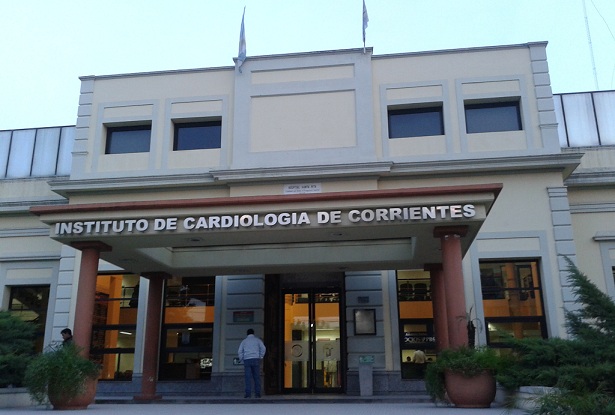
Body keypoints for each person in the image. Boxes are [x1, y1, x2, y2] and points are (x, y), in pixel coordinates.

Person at [238, 328, 266, 398]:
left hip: (247, 359)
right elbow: (263, 348)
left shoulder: (244, 341)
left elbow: (240, 351)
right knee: (256, 377)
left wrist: (242, 358)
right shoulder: (257, 340)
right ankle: (257, 393)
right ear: (253, 333)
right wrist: (261, 356)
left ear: (247, 333)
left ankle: (248, 394)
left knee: (248, 377)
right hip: (255, 359)